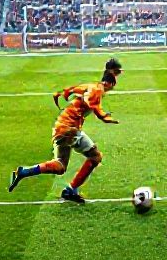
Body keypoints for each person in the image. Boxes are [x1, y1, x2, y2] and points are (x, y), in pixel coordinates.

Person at [8, 70, 119, 203]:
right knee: (95, 157)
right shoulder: (97, 90)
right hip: (69, 129)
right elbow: (95, 108)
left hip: (62, 128)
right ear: (110, 83)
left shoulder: (90, 86)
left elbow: (70, 90)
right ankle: (71, 190)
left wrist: (62, 95)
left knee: (60, 166)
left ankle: (24, 172)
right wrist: (107, 118)